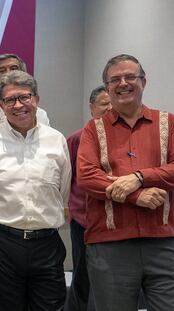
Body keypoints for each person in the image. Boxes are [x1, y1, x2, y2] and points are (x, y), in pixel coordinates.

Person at [0, 70, 71, 311]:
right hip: (1, 244)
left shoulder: (56, 140)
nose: (18, 105)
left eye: (25, 97)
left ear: (36, 100)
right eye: (10, 100)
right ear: (1, 105)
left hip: (47, 244)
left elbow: (61, 191)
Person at [77, 54, 174, 311]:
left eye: (130, 77)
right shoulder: (93, 129)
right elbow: (86, 176)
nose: (123, 83)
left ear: (143, 81)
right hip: (110, 245)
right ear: (107, 87)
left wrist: (140, 177)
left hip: (164, 242)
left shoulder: (169, 122)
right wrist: (136, 195)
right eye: (115, 79)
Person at [64, 85, 111, 311]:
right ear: (92, 108)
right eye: (105, 104)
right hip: (84, 221)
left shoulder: (125, 140)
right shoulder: (75, 140)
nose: (111, 108)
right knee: (82, 277)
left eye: (114, 103)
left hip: (117, 222)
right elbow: (67, 180)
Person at [0, 53, 50, 137]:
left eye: (13, 69)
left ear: (24, 75)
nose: (8, 73)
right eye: (2, 71)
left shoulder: (40, 114)